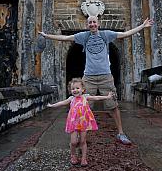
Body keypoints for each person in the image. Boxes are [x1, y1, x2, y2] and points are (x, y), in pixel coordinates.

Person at [40, 16, 154, 145]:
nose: (92, 24)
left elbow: (125, 34)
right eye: (90, 23)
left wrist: (142, 26)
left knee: (113, 106)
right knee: (83, 105)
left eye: (94, 22)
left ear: (98, 24)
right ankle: (80, 134)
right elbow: (65, 38)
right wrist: (46, 36)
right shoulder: (84, 36)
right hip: (89, 77)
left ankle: (121, 133)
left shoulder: (106, 35)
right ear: (87, 24)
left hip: (106, 75)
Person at [47, 77, 113, 167]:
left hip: (83, 122)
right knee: (74, 142)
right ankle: (73, 155)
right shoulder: (71, 99)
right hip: (73, 122)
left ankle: (83, 158)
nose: (75, 90)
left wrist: (107, 97)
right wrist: (52, 105)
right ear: (70, 90)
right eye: (73, 89)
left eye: (77, 88)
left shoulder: (85, 97)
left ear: (83, 89)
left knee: (82, 141)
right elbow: (62, 103)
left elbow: (96, 97)